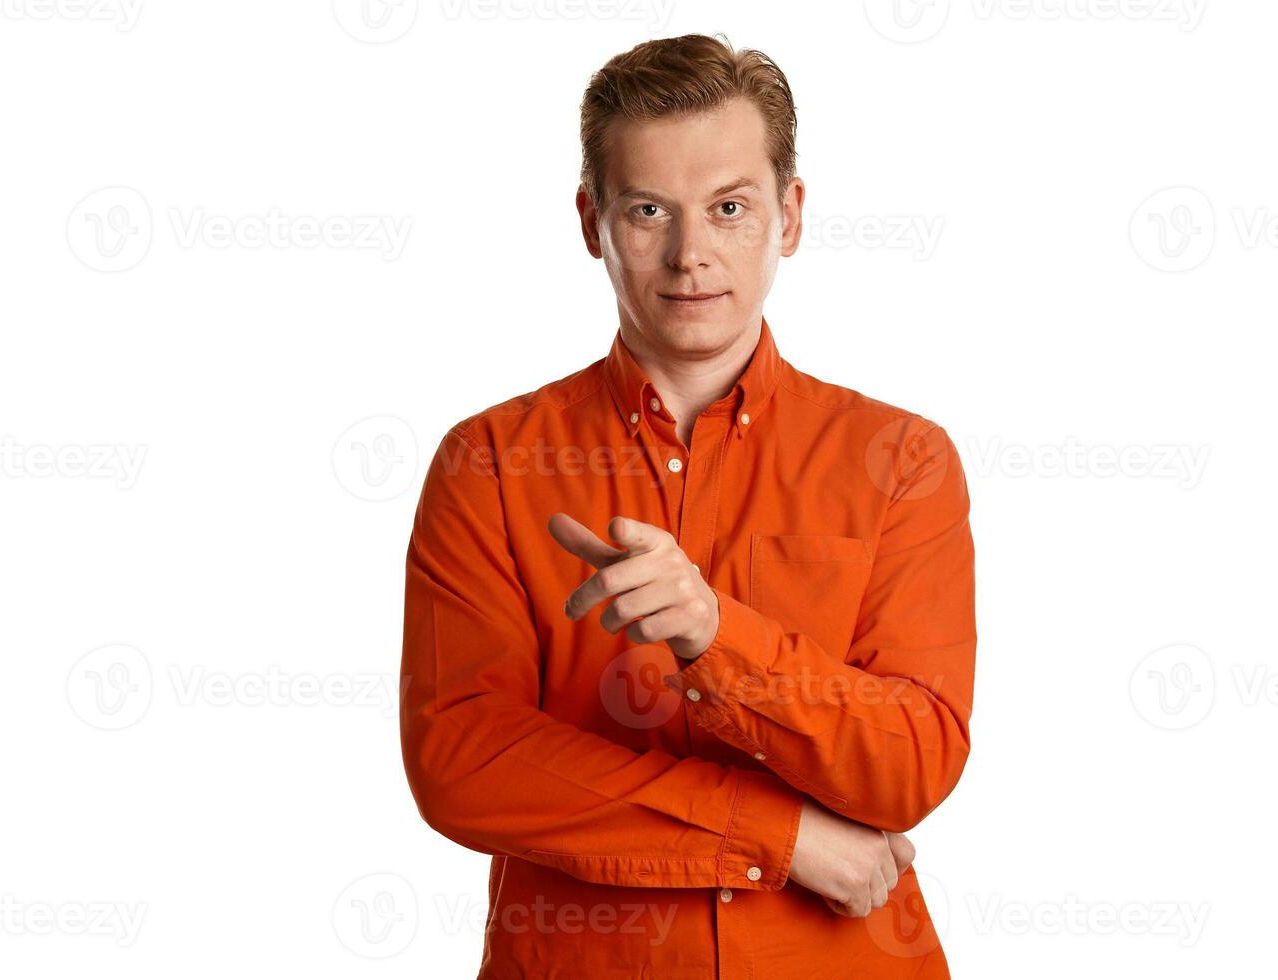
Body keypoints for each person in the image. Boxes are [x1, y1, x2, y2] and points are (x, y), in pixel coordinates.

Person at [400, 32, 976, 978]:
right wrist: (778, 836)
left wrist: (720, 638)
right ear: (591, 221)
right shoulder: (490, 464)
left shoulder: (903, 460)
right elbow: (462, 761)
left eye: (729, 208)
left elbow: (912, 761)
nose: (689, 254)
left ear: (789, 216)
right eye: (648, 210)